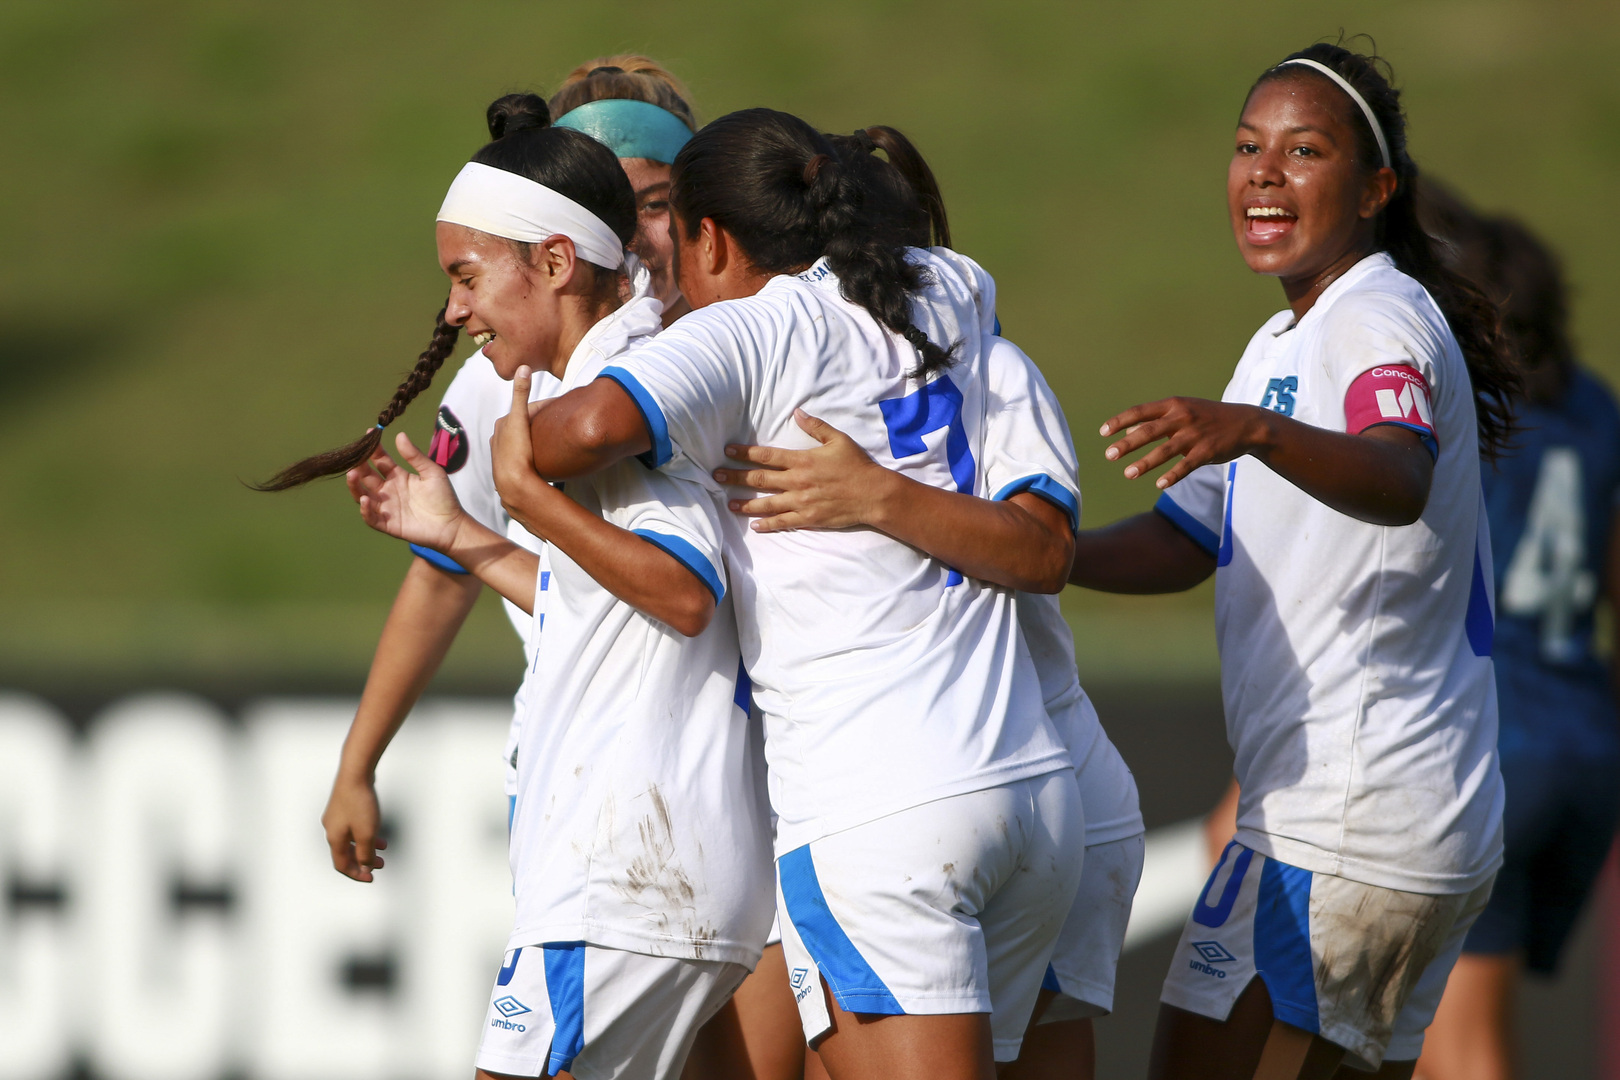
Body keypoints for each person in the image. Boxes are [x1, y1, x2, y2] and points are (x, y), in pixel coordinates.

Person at [506, 108, 1087, 1080]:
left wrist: (519, 458)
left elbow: (590, 424)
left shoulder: (756, 328)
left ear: (715, 237)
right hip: (1030, 792)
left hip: (882, 808)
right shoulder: (942, 288)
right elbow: (1040, 544)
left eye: (678, 240)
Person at [1067, 42, 1518, 1079]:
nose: (1263, 171)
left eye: (1304, 149)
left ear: (1376, 189)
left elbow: (1396, 475)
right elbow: (1187, 538)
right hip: (1381, 818)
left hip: (1348, 822)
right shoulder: (1282, 347)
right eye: (1246, 147)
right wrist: (1047, 558)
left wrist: (1253, 434)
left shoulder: (1374, 316)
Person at [336, 92, 776, 1078]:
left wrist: (526, 496)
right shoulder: (596, 390)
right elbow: (609, 611)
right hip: (640, 879)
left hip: (627, 877)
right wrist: (467, 534)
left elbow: (684, 592)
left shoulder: (623, 400)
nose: (453, 309)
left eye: (465, 276)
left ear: (555, 263)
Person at [712, 128, 1145, 1080]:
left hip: (946, 781)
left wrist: (875, 494)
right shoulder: (971, 368)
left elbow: (1042, 552)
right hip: (1040, 781)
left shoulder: (933, 378)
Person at [254, 54, 701, 892]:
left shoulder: (749, 348)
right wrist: (357, 764)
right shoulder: (500, 383)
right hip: (591, 773)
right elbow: (444, 575)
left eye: (658, 205)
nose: (638, 237)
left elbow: (692, 596)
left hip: (735, 770)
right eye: (617, 207)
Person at [1410, 192, 1620, 1080]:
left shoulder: (1469, 413)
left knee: (1459, 1043)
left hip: (1488, 744)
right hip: (1585, 740)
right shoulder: (1595, 409)